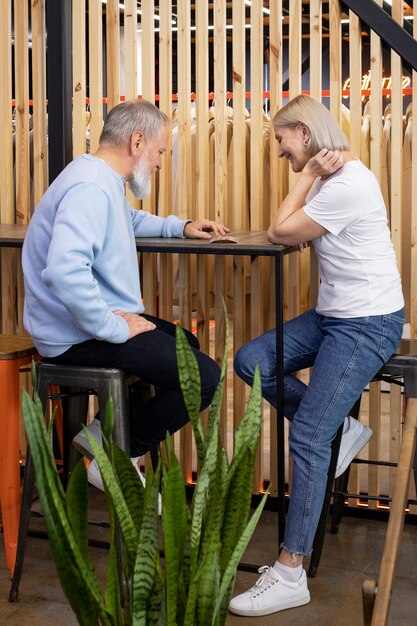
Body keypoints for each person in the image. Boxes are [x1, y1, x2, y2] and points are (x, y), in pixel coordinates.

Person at [229, 95, 404, 617]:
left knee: (307, 436)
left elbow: (280, 230)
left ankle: (290, 571)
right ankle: (342, 431)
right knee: (252, 360)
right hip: (333, 316)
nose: (279, 151)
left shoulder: (344, 184)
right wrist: (310, 181)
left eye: (282, 140)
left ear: (303, 133)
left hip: (366, 323)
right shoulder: (334, 182)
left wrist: (304, 179)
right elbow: (284, 232)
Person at [22, 99, 229, 488]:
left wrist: (179, 226)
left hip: (86, 323)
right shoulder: (90, 188)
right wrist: (113, 328)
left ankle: (103, 433)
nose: (159, 163)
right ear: (137, 141)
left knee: (188, 342)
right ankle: (117, 455)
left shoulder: (99, 178)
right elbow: (64, 271)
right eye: (159, 151)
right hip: (74, 336)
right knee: (205, 378)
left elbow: (126, 220)